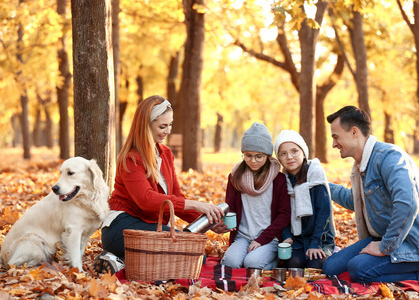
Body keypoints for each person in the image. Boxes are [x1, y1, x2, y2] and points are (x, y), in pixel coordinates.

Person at [94, 95, 225, 274]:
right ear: (145, 126)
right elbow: (146, 200)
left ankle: (119, 261)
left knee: (195, 254)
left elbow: (177, 199)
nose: (168, 131)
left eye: (170, 125)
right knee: (189, 254)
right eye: (162, 126)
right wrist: (198, 204)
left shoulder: (166, 154)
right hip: (121, 228)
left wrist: (207, 221)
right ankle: (122, 258)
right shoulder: (131, 158)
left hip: (149, 227)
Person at [322, 105, 419, 283]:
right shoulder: (363, 164)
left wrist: (384, 247)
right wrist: (322, 185)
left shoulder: (389, 157)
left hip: (410, 242)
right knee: (330, 267)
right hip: (383, 237)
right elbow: (357, 201)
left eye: (336, 137)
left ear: (354, 132)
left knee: (358, 269)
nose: (334, 144)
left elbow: (408, 203)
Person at [221, 122, 291, 270]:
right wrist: (226, 221)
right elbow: (231, 206)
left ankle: (275, 262)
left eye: (259, 156)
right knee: (231, 263)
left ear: (267, 155)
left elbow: (284, 214)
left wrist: (262, 239)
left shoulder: (278, 180)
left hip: (269, 237)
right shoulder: (235, 177)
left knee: (251, 264)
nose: (253, 161)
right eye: (248, 155)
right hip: (242, 235)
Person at [274, 130, 335, 269]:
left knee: (314, 265)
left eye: (294, 151)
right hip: (297, 238)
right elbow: (281, 212)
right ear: (279, 158)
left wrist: (315, 243)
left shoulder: (315, 174)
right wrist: (286, 235)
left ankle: (331, 252)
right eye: (283, 153)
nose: (289, 157)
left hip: (320, 237)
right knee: (294, 264)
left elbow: (323, 212)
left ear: (303, 152)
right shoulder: (282, 181)